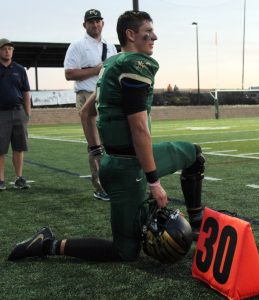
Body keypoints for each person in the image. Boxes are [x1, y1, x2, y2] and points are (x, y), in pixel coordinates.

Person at [8, 10, 205, 263]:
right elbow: (139, 128)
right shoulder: (135, 63)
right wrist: (154, 182)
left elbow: (85, 113)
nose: (154, 37)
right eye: (148, 33)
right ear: (130, 35)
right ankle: (47, 244)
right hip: (128, 167)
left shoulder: (112, 63)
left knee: (194, 155)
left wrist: (97, 153)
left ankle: (198, 226)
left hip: (116, 161)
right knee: (125, 252)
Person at [64, 9, 117, 201]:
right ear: (84, 25)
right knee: (95, 145)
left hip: (106, 96)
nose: (95, 25)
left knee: (110, 142)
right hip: (87, 95)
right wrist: (96, 69)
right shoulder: (77, 46)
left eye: (97, 21)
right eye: (91, 22)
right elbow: (69, 74)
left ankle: (112, 183)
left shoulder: (110, 47)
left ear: (103, 23)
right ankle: (100, 186)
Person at [0, 38, 31, 191]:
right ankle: (1, 180)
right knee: (0, 149)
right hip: (1, 114)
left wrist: (27, 113)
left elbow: (26, 92)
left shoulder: (20, 69)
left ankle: (19, 178)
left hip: (19, 112)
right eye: (4, 48)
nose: (7, 51)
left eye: (10, 49)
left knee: (19, 148)